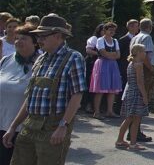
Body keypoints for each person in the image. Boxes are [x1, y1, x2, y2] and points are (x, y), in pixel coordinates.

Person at [3, 14, 86, 165]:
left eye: (43, 36)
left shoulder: (74, 58)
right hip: (29, 125)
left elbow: (77, 95)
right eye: (38, 36)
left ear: (58, 36)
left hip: (53, 127)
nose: (39, 40)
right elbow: (30, 97)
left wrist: (63, 126)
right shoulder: (40, 59)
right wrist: (13, 126)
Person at [0, 24, 38, 165]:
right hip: (2, 123)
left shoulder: (41, 63)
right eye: (17, 38)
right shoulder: (6, 60)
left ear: (35, 42)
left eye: (23, 38)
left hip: (25, 128)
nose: (18, 41)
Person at [115, 44, 149, 152]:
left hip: (129, 91)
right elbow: (140, 82)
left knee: (129, 118)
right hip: (136, 93)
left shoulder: (131, 63)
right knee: (136, 118)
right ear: (138, 52)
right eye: (144, 51)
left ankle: (120, 140)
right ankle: (133, 144)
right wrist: (144, 96)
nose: (145, 53)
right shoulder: (138, 65)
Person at [129, 19, 154, 143]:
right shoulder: (147, 37)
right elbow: (146, 56)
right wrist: (151, 68)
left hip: (135, 66)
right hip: (144, 69)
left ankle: (132, 131)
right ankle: (135, 132)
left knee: (135, 102)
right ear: (149, 27)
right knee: (141, 101)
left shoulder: (135, 37)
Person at [90, 22, 122, 119]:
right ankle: (96, 112)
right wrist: (112, 55)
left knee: (112, 89)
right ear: (105, 30)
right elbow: (103, 53)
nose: (112, 32)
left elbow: (118, 55)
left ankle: (110, 111)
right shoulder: (100, 40)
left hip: (112, 65)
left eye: (114, 30)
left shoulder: (115, 41)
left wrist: (110, 55)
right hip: (102, 64)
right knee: (101, 88)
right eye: (110, 30)